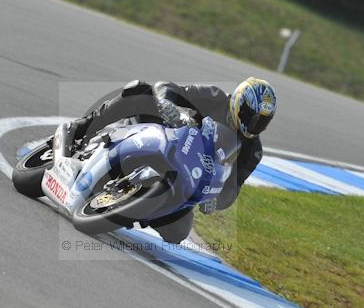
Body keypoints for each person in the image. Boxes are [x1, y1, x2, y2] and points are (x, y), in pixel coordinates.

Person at [65, 78, 277, 243]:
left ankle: (133, 204)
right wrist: (167, 104)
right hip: (165, 137)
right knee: (140, 91)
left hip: (189, 176)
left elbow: (233, 188)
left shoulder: (253, 151)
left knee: (177, 232)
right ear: (239, 102)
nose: (254, 123)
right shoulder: (215, 96)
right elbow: (169, 87)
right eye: (250, 115)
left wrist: (216, 200)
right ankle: (82, 128)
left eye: (262, 121)